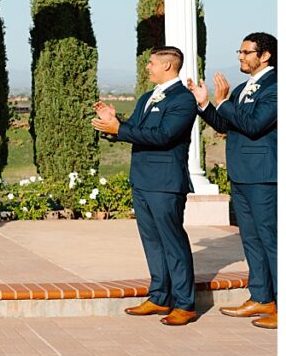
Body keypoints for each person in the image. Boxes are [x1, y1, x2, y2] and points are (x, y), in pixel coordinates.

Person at [92, 46, 198, 326]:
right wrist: (114, 123)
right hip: (141, 180)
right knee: (152, 242)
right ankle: (159, 296)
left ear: (167, 66)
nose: (147, 68)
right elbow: (137, 132)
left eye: (151, 63)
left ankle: (185, 304)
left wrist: (120, 129)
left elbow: (163, 136)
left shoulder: (183, 100)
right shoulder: (147, 97)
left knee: (172, 242)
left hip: (165, 183)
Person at [187, 32, 277, 330]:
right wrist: (206, 106)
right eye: (239, 50)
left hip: (265, 176)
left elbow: (254, 125)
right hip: (240, 175)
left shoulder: (276, 86)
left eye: (246, 51)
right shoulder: (241, 89)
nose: (240, 56)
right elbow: (227, 124)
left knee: (273, 241)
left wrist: (224, 102)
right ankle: (262, 297)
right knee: (251, 239)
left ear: (265, 56)